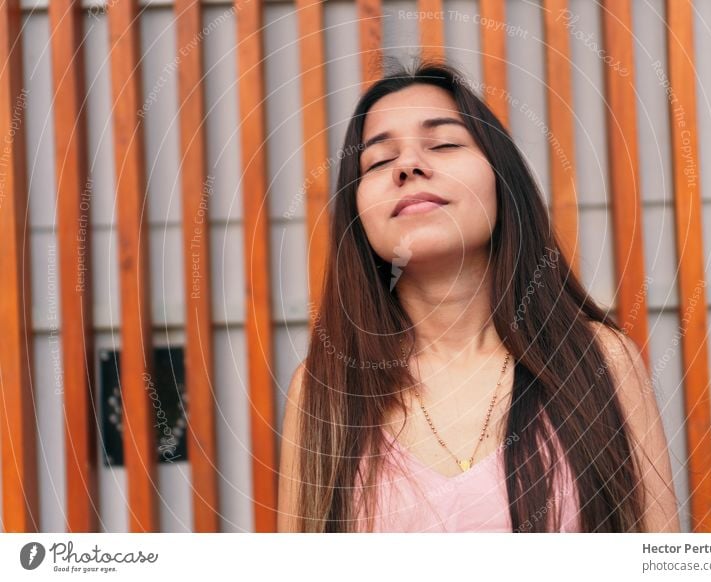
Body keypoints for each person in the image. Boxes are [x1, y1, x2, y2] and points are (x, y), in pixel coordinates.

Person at [277, 61, 680, 533]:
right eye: (380, 161)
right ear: (358, 216)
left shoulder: (599, 358)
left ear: (501, 180)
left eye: (445, 144)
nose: (408, 166)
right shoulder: (323, 388)